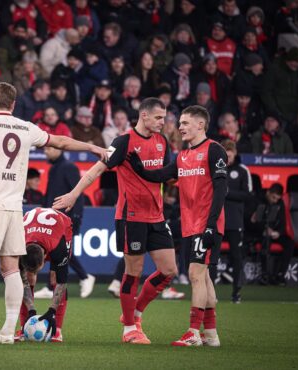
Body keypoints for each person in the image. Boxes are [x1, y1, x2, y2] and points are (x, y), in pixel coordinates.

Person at [0, 82, 106, 344]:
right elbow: (61, 141)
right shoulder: (25, 127)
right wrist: (92, 148)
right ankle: (8, 332)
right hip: (14, 208)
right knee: (10, 269)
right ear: (13, 104)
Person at [54, 98, 178, 345]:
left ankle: (134, 313)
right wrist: (73, 194)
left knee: (169, 271)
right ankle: (130, 329)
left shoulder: (162, 141)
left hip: (157, 215)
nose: (163, 123)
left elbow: (167, 175)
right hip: (131, 217)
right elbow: (96, 170)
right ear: (144, 116)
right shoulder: (123, 142)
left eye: (164, 118)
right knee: (133, 271)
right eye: (158, 118)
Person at [127, 105, 228, 347]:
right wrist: (140, 169)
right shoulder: (183, 156)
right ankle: (211, 335)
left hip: (207, 225)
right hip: (191, 225)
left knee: (195, 275)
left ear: (200, 125)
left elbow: (221, 189)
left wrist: (211, 225)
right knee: (204, 279)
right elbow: (162, 174)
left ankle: (193, 333)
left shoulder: (214, 150)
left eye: (185, 123)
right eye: (180, 123)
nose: (180, 127)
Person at [34, 146, 96, 299]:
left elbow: (78, 194)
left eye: (48, 149)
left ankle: (84, 277)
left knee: (61, 251)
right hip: (52, 217)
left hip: (67, 218)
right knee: (55, 250)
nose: (46, 152)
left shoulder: (69, 167)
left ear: (58, 149)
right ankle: (51, 286)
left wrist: (76, 216)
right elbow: (49, 195)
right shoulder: (55, 168)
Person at [17, 207, 73, 342]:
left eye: (36, 270)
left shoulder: (58, 249)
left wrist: (52, 311)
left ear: (44, 260)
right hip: (32, 227)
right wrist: (31, 310)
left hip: (62, 227)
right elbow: (22, 282)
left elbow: (62, 282)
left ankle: (57, 330)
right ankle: (24, 325)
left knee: (55, 277)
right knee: (27, 278)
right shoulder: (18, 245)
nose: (34, 273)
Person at [221, 140, 252, 303]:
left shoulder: (242, 171)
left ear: (235, 153)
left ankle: (236, 293)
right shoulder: (216, 169)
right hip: (216, 219)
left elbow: (248, 195)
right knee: (212, 256)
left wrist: (227, 192)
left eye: (230, 153)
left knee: (236, 256)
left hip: (234, 220)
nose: (227, 156)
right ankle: (209, 292)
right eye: (225, 153)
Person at [251, 183, 295, 286]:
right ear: (268, 193)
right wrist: (264, 229)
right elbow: (252, 221)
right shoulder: (258, 199)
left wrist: (278, 232)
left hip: (274, 233)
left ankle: (280, 275)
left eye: (277, 199)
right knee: (265, 241)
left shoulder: (279, 203)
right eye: (273, 198)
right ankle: (265, 275)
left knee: (290, 243)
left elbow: (283, 222)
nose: (275, 201)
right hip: (260, 233)